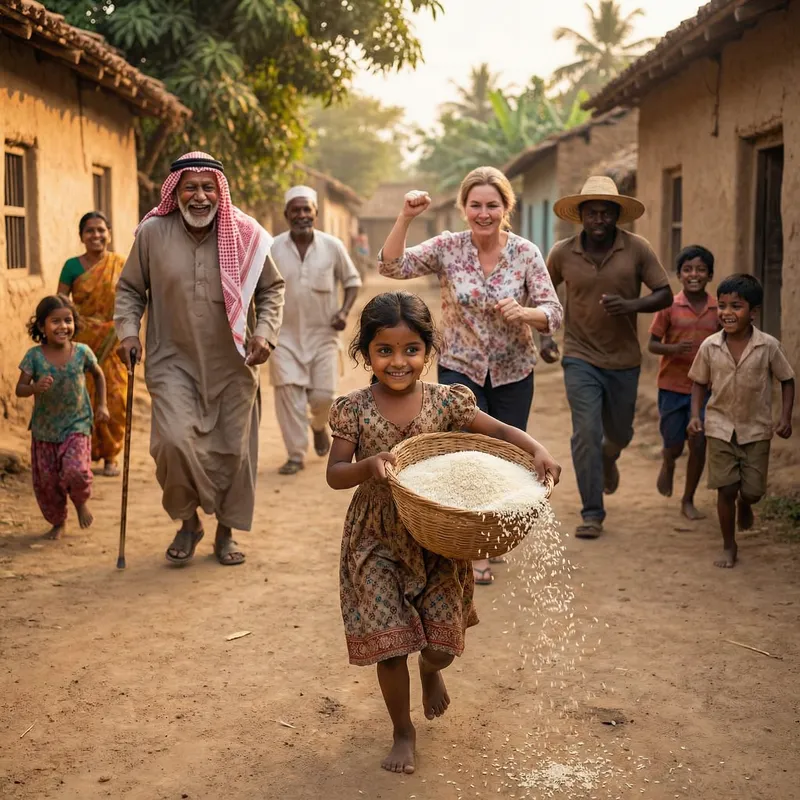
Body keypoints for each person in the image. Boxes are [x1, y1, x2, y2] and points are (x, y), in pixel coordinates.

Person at [326, 291, 561, 775]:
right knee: (390, 644)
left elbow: (497, 432)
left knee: (440, 645)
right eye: (384, 350)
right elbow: (335, 473)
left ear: (428, 352)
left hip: (439, 535)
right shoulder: (353, 409)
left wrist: (536, 448)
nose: (398, 361)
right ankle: (402, 731)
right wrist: (368, 466)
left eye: (411, 349)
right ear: (365, 353)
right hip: (376, 536)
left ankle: (431, 673)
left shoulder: (445, 402)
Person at [379, 166, 562, 584]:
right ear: (464, 209)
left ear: (505, 207)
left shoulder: (526, 253)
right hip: (461, 368)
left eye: (492, 205)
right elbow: (392, 267)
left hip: (514, 368)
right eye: (475, 205)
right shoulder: (448, 248)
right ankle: (474, 550)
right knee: (471, 452)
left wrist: (526, 312)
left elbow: (553, 313)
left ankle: (495, 534)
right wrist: (406, 216)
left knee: (508, 455)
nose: (484, 213)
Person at [114, 151, 285, 567]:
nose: (200, 196)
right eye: (190, 187)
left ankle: (226, 531)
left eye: (208, 187)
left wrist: (264, 333)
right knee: (172, 444)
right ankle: (189, 521)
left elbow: (272, 289)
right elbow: (131, 290)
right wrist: (126, 332)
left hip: (234, 365)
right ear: (176, 191)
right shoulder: (152, 234)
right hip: (171, 360)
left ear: (220, 191)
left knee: (234, 451)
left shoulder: (246, 234)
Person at [541, 176, 673, 539]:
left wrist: (631, 305)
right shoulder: (562, 253)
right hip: (580, 357)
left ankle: (608, 457)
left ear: (617, 216)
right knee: (585, 432)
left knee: (619, 433)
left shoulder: (637, 249)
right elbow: (542, 296)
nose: (599, 220)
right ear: (580, 215)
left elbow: (664, 294)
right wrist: (545, 339)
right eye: (592, 213)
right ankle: (592, 512)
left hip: (624, 360)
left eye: (606, 213)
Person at [687, 274, 794, 568]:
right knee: (725, 488)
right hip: (719, 427)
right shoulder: (710, 346)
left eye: (736, 306)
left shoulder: (769, 346)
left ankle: (745, 504)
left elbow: (787, 379)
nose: (727, 313)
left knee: (752, 491)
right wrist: (696, 416)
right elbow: (698, 382)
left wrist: (784, 417)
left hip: (756, 429)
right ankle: (729, 545)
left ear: (753, 312)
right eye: (722, 306)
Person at [270, 185, 362, 475]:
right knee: (289, 397)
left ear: (316, 214)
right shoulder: (272, 248)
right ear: (286, 214)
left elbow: (352, 281)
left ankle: (319, 426)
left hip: (324, 335)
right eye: (295, 210)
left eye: (306, 209)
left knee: (324, 396)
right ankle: (295, 454)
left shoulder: (332, 246)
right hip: (282, 336)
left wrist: (343, 312)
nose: (301, 215)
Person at [15, 295, 109, 539]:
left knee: (76, 470)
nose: (63, 326)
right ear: (41, 327)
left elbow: (98, 375)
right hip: (45, 430)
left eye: (68, 320)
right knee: (47, 482)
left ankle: (80, 502)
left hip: (76, 424)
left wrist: (102, 405)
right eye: (55, 321)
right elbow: (20, 389)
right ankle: (58, 522)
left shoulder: (82, 353)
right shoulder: (34, 357)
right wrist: (34, 388)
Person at [648, 245, 720, 520]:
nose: (694, 274)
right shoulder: (669, 307)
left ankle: (688, 499)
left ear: (710, 274)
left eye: (701, 270)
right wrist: (674, 350)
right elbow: (653, 345)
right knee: (674, 444)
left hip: (705, 389)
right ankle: (668, 462)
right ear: (679, 275)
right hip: (671, 386)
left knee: (698, 441)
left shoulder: (717, 309)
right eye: (688, 269)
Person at [56, 211, 127, 477]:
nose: (96, 235)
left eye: (101, 230)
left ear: (109, 233)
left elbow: (134, 299)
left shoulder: (121, 264)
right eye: (90, 231)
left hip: (114, 340)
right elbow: (60, 303)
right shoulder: (71, 266)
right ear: (81, 236)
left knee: (116, 399)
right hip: (82, 342)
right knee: (80, 398)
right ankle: (81, 454)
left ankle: (110, 455)